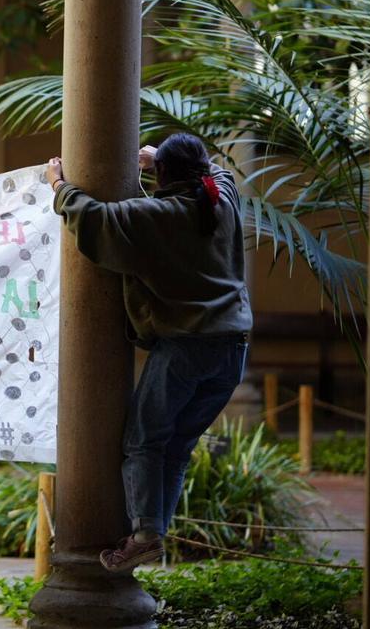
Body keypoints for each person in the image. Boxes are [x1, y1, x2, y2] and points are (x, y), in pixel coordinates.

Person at [47, 133, 252, 573]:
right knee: (176, 447)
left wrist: (60, 187)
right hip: (233, 351)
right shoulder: (223, 200)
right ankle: (152, 533)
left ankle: (144, 536)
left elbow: (95, 219)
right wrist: (161, 159)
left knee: (144, 442)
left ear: (163, 175)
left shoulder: (157, 215)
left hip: (187, 349)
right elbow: (220, 172)